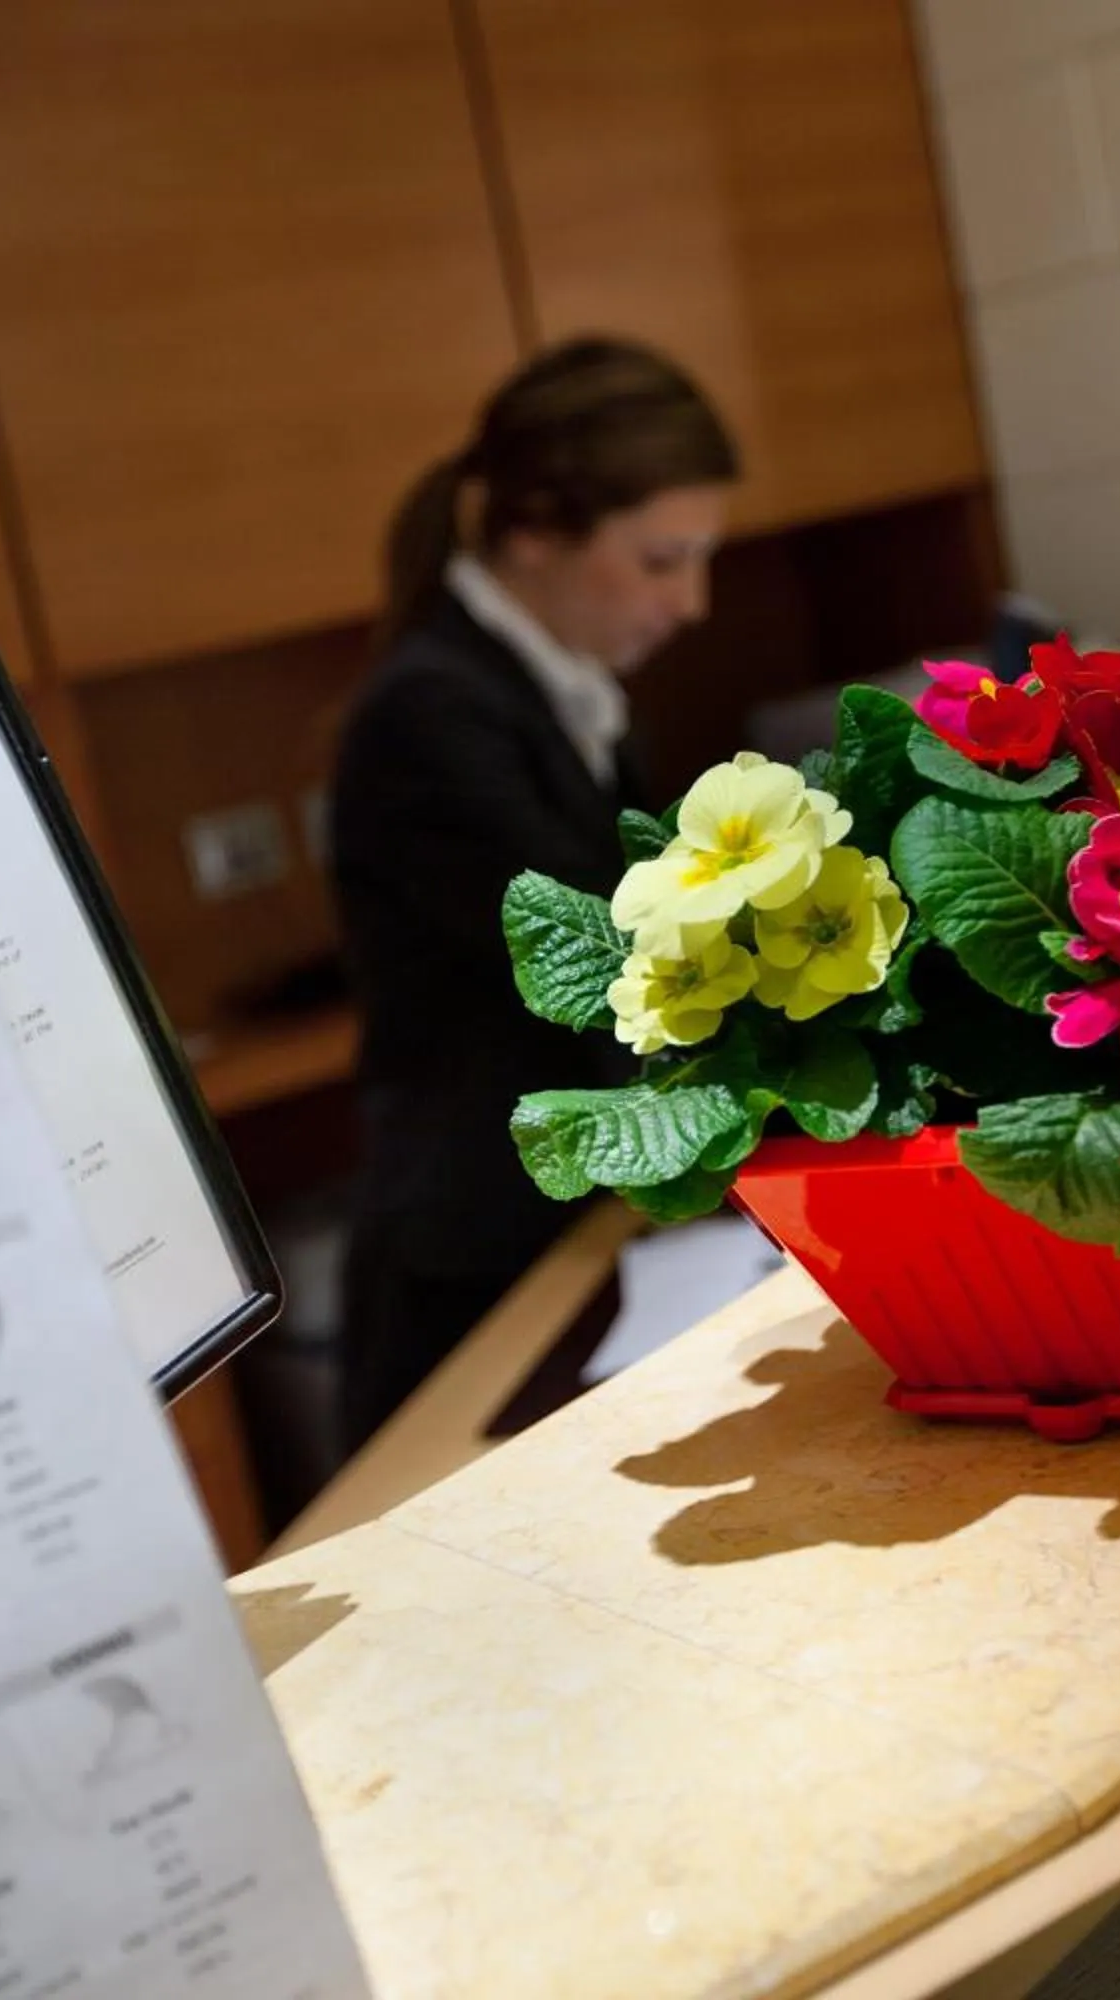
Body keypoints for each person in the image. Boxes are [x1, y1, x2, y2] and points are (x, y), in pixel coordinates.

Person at [327, 337, 738, 1448]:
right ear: (535, 533)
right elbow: (607, 948)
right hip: (472, 1263)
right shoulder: (431, 714)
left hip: (561, 1220)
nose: (691, 601)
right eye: (661, 559)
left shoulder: (565, 687)